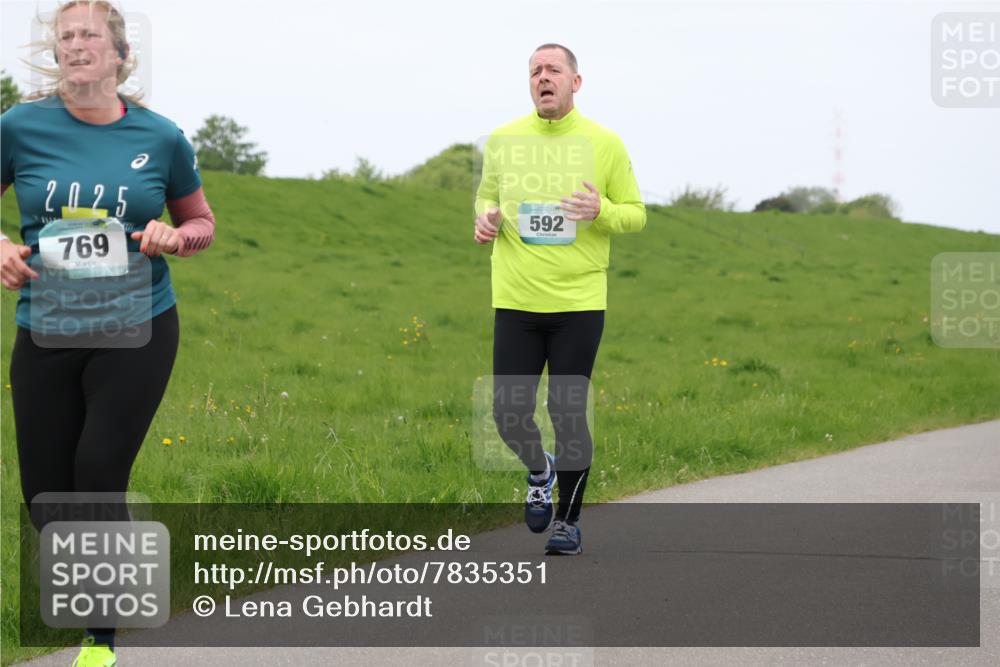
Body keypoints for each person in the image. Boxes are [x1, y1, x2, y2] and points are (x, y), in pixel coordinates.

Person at [0, 2, 215, 664]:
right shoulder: (19, 127)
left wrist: (174, 236)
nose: (74, 43)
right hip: (47, 326)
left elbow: (202, 221)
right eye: (64, 35)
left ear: (120, 53)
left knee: (96, 474)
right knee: (44, 497)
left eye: (89, 33)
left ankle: (101, 634)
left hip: (139, 325)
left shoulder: (162, 137)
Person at [475, 43, 646, 555]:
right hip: (516, 297)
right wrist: (484, 218)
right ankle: (539, 470)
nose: (542, 78)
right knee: (508, 414)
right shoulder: (503, 141)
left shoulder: (605, 143)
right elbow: (487, 195)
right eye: (534, 72)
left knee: (568, 411)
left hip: (578, 301)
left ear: (576, 82)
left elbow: (635, 212)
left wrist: (602, 211)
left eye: (552, 70)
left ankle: (567, 523)